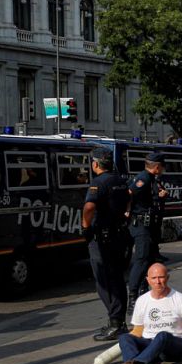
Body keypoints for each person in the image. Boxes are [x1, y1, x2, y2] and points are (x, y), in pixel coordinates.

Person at [82, 146, 131, 341]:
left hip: (102, 238)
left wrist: (85, 227)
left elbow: (89, 206)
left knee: (104, 282)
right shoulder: (120, 180)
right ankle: (119, 321)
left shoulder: (98, 183)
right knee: (118, 279)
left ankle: (115, 323)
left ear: (95, 164)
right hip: (119, 235)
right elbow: (129, 197)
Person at [117, 263, 182, 364]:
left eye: (161, 277)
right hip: (150, 344)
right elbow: (138, 330)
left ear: (167, 278)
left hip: (174, 346)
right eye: (154, 278)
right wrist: (126, 342)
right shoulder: (142, 300)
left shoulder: (181, 299)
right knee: (124, 337)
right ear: (148, 280)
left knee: (162, 335)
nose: (158, 282)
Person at [127, 152, 168, 315]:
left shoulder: (152, 180)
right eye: (163, 167)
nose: (163, 170)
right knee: (141, 260)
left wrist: (160, 196)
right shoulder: (143, 178)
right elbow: (129, 194)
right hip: (141, 226)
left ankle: (144, 293)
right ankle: (132, 298)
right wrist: (127, 210)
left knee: (150, 260)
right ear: (157, 167)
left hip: (149, 225)